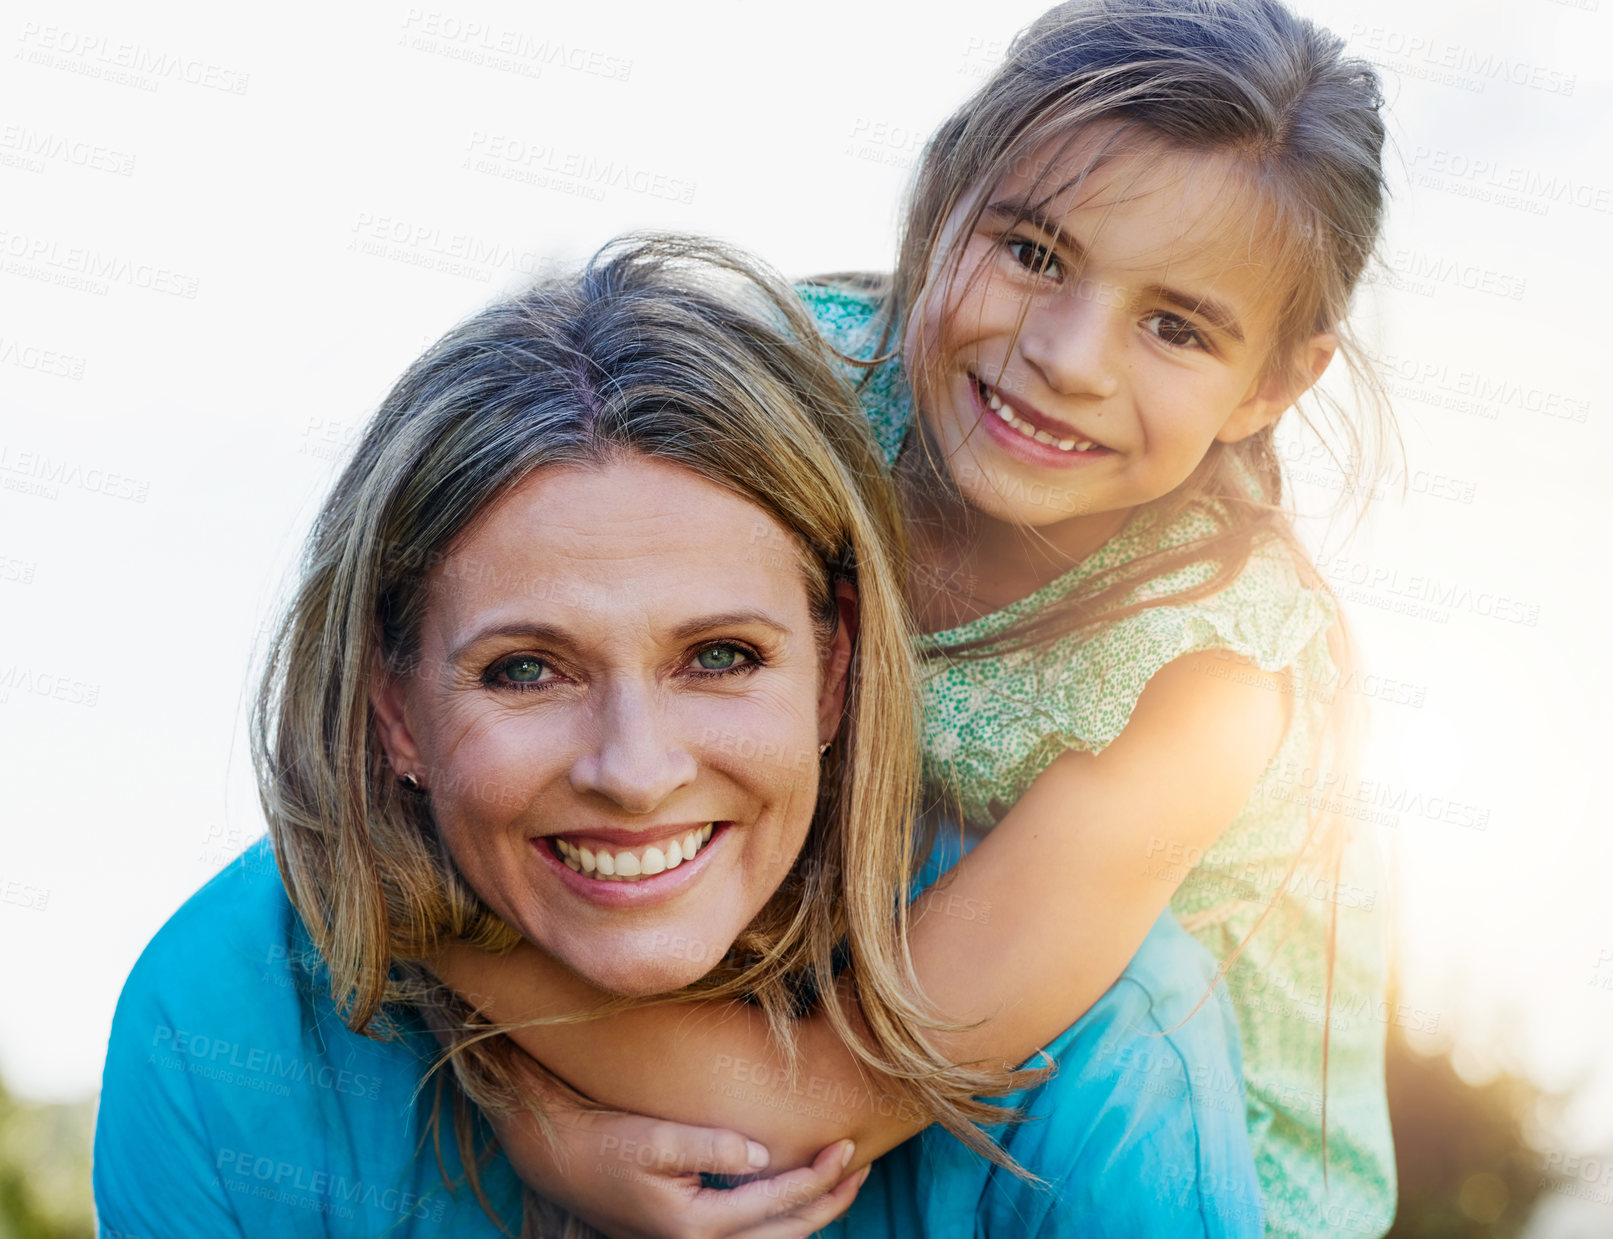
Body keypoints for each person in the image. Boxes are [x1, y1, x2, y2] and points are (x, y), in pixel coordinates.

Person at [432, 1, 1399, 1235]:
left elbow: (820, 1098)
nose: (1067, 356)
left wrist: (480, 1015)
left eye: (1174, 325)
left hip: (1132, 1162)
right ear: (943, 202)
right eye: (1033, 253)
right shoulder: (794, 379)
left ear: (1270, 381)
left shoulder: (1210, 677)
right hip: (836, 999)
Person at [91, 235, 1260, 1239]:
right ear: (393, 706)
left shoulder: (1106, 1057)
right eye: (526, 670)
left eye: (719, 658)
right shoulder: (217, 1028)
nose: (635, 771)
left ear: (834, 666)